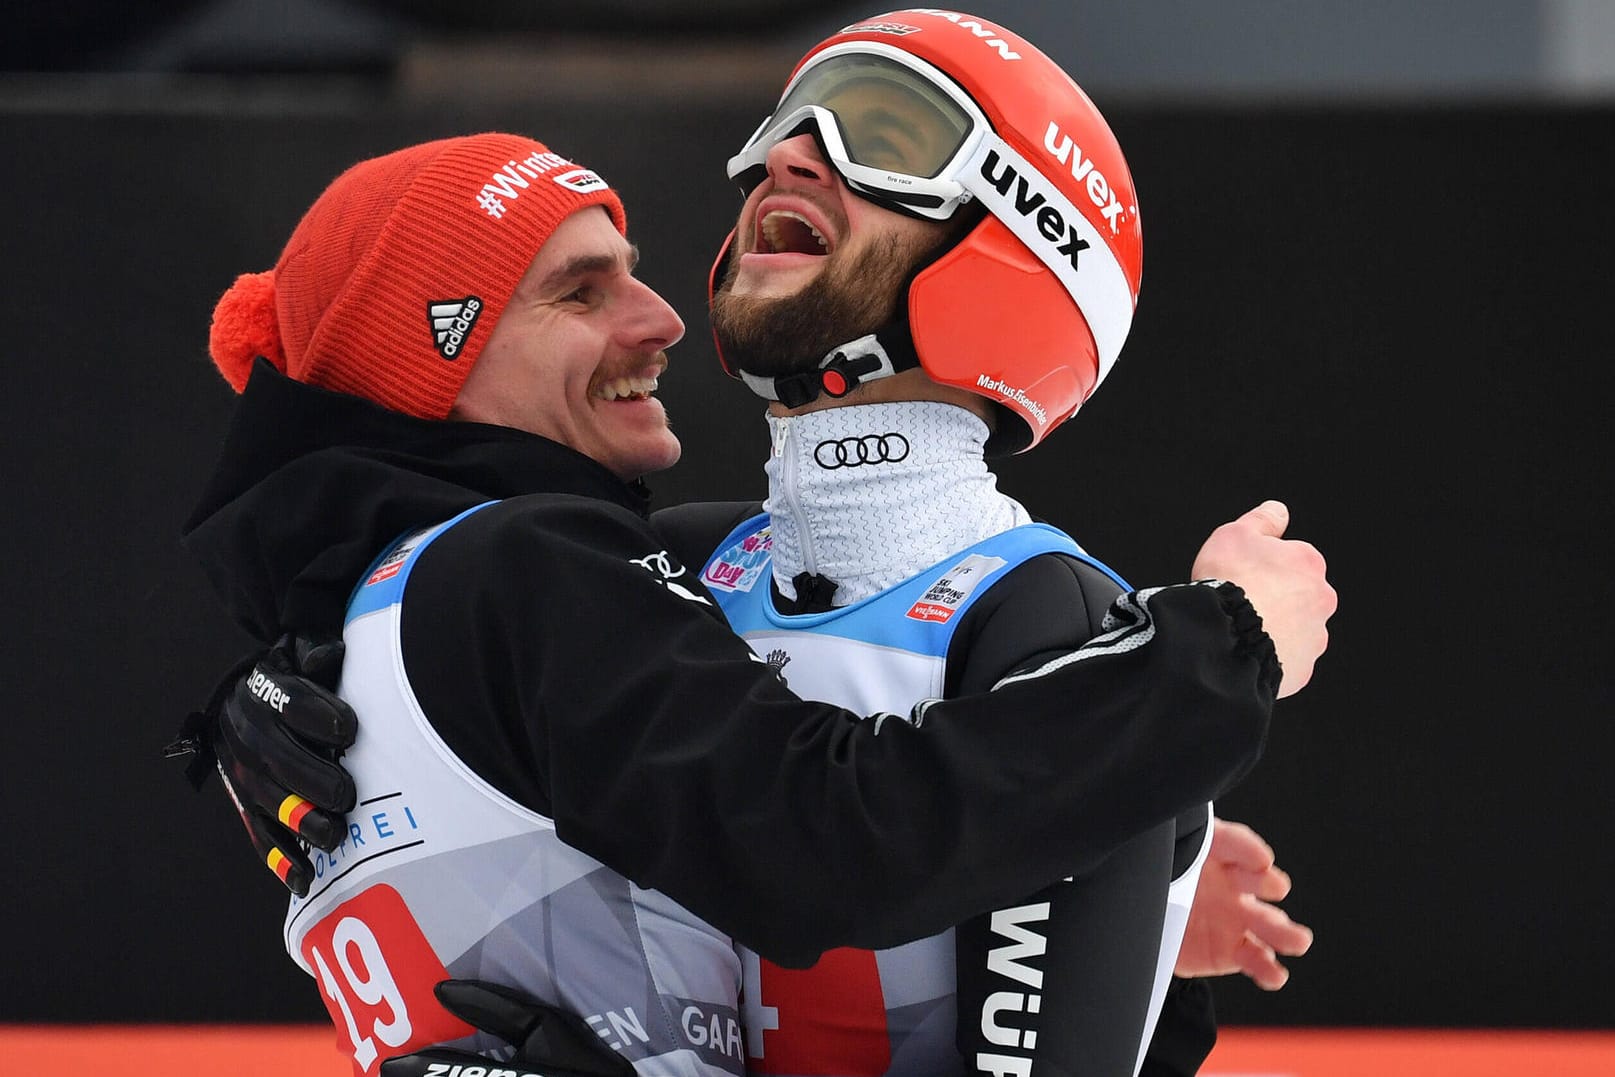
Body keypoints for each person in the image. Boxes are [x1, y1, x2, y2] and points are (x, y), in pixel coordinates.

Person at [176, 71, 1322, 1077]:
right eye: (579, 292)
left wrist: (1133, 884)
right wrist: (1221, 654)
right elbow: (828, 839)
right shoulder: (529, 572)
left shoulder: (369, 639)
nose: (662, 315)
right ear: (437, 356)